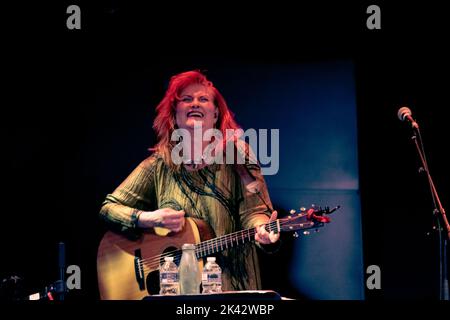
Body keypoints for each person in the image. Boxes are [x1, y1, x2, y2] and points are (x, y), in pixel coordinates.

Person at [99, 70, 280, 292]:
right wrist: (148, 218)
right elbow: (109, 208)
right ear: (174, 115)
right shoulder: (160, 163)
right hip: (177, 292)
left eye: (203, 99)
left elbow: (254, 212)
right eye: (186, 99)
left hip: (231, 286)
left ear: (215, 115)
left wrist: (262, 230)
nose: (195, 103)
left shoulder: (238, 154)